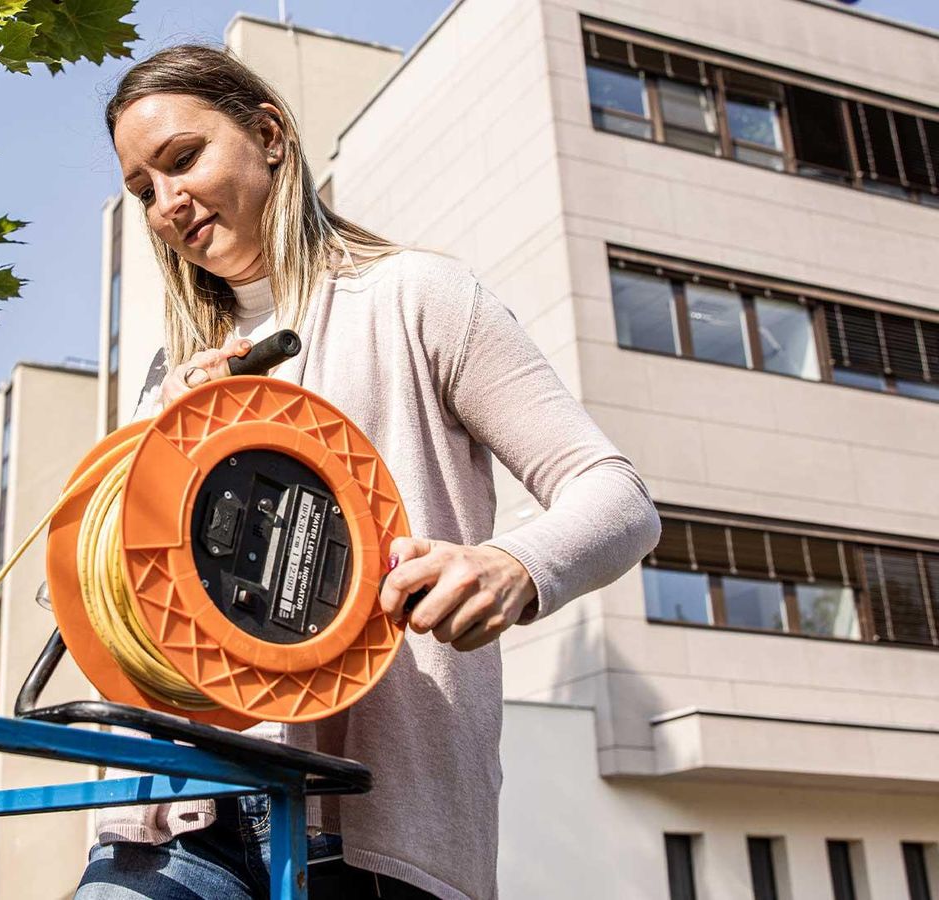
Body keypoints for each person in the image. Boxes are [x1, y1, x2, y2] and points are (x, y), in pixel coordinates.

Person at [72, 43, 662, 900]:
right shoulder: (171, 376)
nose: (167, 203)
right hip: (181, 810)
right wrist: (150, 454)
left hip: (378, 823)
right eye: (143, 190)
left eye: (182, 159)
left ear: (270, 135)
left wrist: (512, 565)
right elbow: (100, 596)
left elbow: (619, 498)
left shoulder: (421, 298)